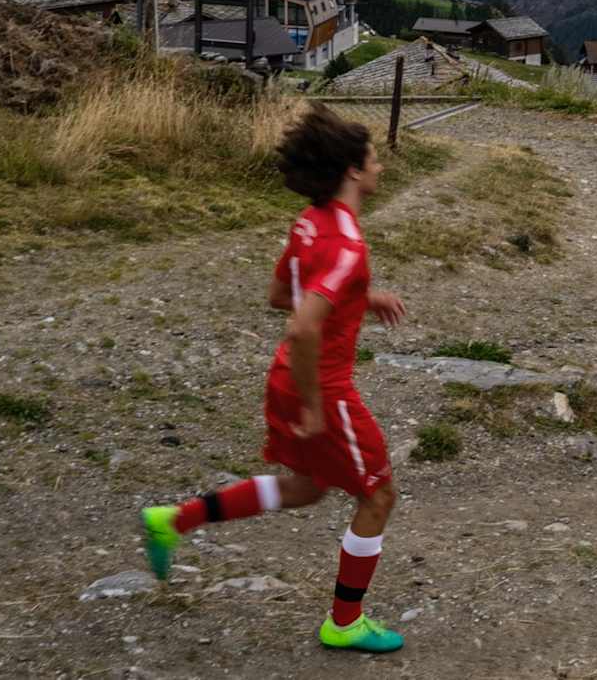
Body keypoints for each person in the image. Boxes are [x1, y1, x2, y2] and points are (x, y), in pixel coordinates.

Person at [139, 106, 408, 653]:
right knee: (379, 495)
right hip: (321, 390)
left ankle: (174, 520)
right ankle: (345, 623)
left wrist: (358, 297)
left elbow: (281, 293)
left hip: (283, 380)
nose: (380, 165)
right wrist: (314, 405)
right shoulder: (348, 246)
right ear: (353, 171)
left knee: (307, 488)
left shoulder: (311, 224)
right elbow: (302, 324)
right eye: (374, 158)